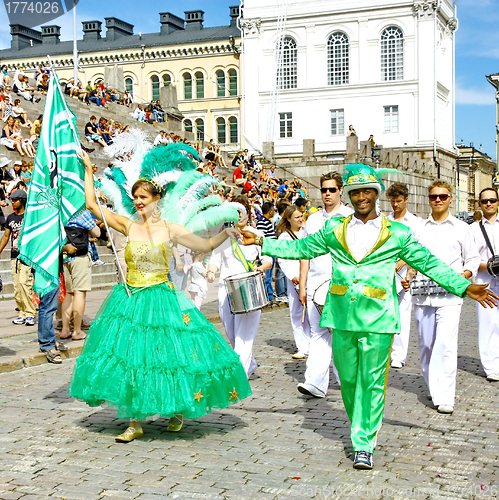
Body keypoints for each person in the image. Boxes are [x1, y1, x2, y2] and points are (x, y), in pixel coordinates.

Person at [251, 163, 498, 470]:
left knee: (372, 382)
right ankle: (359, 425)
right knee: (351, 382)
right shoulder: (334, 230)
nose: (362, 197)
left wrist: (464, 287)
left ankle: (363, 441)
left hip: (379, 318)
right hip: (341, 316)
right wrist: (263, 242)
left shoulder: (398, 233)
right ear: (350, 195)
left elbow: (427, 262)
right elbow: (302, 247)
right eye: (356, 192)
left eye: (368, 191)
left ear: (376, 194)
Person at [68, 150, 251, 443]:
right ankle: (135, 421)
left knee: (168, 356)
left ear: (157, 199)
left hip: (161, 298)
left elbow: (204, 243)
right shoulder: (129, 225)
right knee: (132, 358)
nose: (139, 202)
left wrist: (228, 232)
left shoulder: (170, 228)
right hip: (130, 299)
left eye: (145, 197)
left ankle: (177, 408)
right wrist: (89, 169)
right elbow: (91, 205)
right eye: (136, 198)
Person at [408, 180, 480, 415]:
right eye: (433, 196)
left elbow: (471, 258)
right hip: (422, 294)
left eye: (442, 196)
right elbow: (410, 257)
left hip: (450, 295)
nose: (438, 200)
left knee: (446, 344)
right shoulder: (419, 228)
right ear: (428, 199)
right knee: (426, 345)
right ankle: (433, 385)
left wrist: (464, 275)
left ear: (450, 198)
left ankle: (445, 395)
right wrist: (407, 273)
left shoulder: (462, 228)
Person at [296, 171, 353, 399]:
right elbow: (304, 253)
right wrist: (302, 285)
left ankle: (348, 378)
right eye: (323, 190)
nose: (327, 194)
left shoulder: (350, 216)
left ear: (341, 190)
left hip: (342, 285)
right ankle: (315, 383)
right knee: (318, 333)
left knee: (341, 335)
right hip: (316, 285)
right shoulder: (312, 220)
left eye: (332, 189)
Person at [207, 195, 273, 379]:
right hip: (226, 289)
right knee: (232, 333)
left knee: (244, 335)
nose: (239, 215)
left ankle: (239, 375)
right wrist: (211, 271)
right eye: (235, 212)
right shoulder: (225, 235)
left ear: (248, 213)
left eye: (242, 211)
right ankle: (249, 363)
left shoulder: (256, 234)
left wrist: (261, 268)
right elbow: (215, 259)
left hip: (248, 286)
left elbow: (268, 259)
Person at [386, 182, 420, 369]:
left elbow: (418, 250)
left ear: (406, 200)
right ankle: (386, 351)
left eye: (398, 201)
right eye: (392, 201)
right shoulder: (385, 221)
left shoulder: (415, 223)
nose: (395, 205)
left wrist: (407, 265)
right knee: (386, 314)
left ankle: (399, 355)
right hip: (386, 273)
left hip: (405, 274)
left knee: (403, 315)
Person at [59, 210, 101, 341]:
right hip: (80, 256)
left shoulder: (62, 212)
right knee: (79, 292)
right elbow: (97, 233)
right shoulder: (81, 213)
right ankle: (77, 330)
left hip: (66, 257)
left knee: (69, 293)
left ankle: (65, 329)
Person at [471, 188, 499, 382]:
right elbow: (470, 258)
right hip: (485, 280)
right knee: (488, 324)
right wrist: (487, 266)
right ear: (479, 204)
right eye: (484, 201)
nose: (488, 203)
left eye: (492, 200)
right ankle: (491, 367)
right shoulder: (472, 229)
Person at [276, 205, 311, 358]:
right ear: (289, 219)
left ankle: (313, 344)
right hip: (294, 279)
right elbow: (283, 259)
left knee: (312, 312)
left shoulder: (308, 232)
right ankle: (302, 346)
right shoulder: (284, 237)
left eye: (301, 216)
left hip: (310, 275)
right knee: (296, 312)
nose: (300, 219)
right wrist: (292, 276)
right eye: (297, 217)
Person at [0, 189, 36, 326]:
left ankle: (30, 313)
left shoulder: (30, 217)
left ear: (22, 201)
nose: (12, 203)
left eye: (14, 200)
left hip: (26, 257)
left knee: (24, 284)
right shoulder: (10, 218)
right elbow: (5, 237)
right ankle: (22, 313)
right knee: (17, 287)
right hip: (14, 257)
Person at [256, 202, 277, 303]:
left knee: (269, 276)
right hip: (267, 252)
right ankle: (266, 296)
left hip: (271, 252)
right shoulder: (262, 222)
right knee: (266, 276)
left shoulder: (267, 221)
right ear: (270, 211)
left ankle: (270, 295)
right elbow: (261, 238)